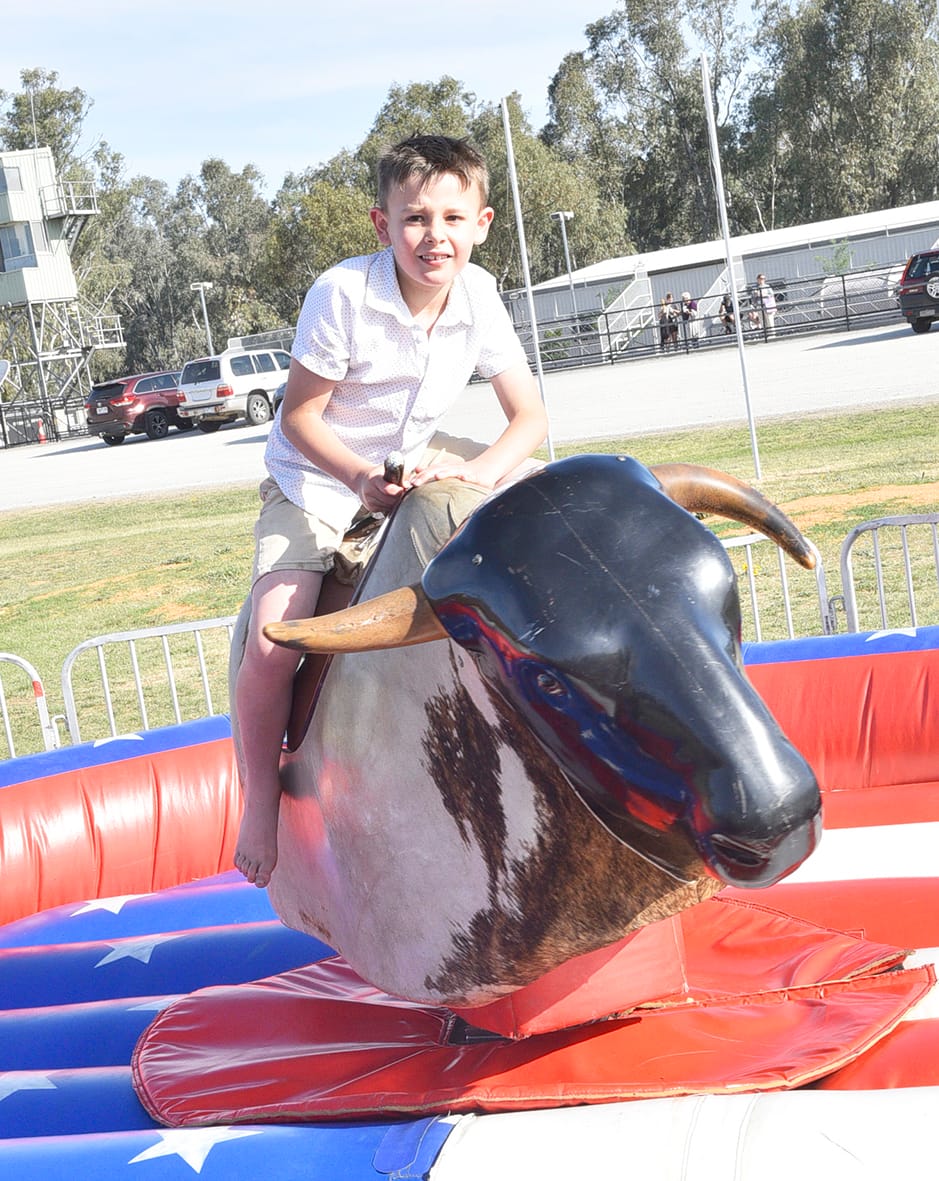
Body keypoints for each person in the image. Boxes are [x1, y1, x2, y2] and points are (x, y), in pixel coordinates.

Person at [233, 134, 548, 888]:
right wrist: (358, 479)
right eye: (415, 219)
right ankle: (258, 800)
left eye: (452, 218)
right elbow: (298, 419)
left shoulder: (479, 294)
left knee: (553, 499)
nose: (434, 236)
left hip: (415, 454)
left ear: (482, 224)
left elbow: (529, 418)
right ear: (383, 225)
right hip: (318, 478)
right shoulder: (341, 294)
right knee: (274, 640)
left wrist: (476, 474)